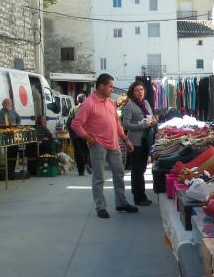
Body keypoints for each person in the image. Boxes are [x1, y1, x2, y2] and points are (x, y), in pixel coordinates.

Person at [71, 73, 138, 219]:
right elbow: (76, 124)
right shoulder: (89, 103)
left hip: (114, 144)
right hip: (98, 145)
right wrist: (88, 138)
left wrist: (126, 140)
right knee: (99, 177)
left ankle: (121, 203)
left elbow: (116, 124)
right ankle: (100, 207)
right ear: (101, 86)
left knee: (119, 174)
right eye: (110, 87)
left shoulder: (110, 102)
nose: (112, 90)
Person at [121, 81, 157, 206]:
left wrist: (153, 121)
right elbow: (126, 125)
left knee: (142, 168)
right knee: (137, 170)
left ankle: (140, 194)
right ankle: (139, 197)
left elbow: (151, 117)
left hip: (146, 140)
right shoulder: (129, 105)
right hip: (135, 141)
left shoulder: (146, 103)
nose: (140, 92)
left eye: (141, 89)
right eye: (137, 90)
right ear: (132, 92)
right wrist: (142, 125)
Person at [0, 98, 21, 179]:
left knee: (14, 151)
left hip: (14, 134)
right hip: (5, 134)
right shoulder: (0, 112)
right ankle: (9, 171)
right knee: (9, 153)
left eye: (8, 103)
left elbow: (19, 118)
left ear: (11, 104)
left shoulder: (13, 111)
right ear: (2, 104)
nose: (7, 104)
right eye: (5, 103)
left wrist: (16, 124)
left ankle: (12, 171)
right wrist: (6, 125)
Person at [67, 93, 93, 176]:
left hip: (75, 134)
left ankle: (81, 171)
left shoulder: (73, 109)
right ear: (85, 100)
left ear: (77, 100)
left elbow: (68, 123)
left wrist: (71, 134)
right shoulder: (88, 109)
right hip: (85, 134)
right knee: (86, 150)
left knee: (78, 152)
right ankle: (87, 163)